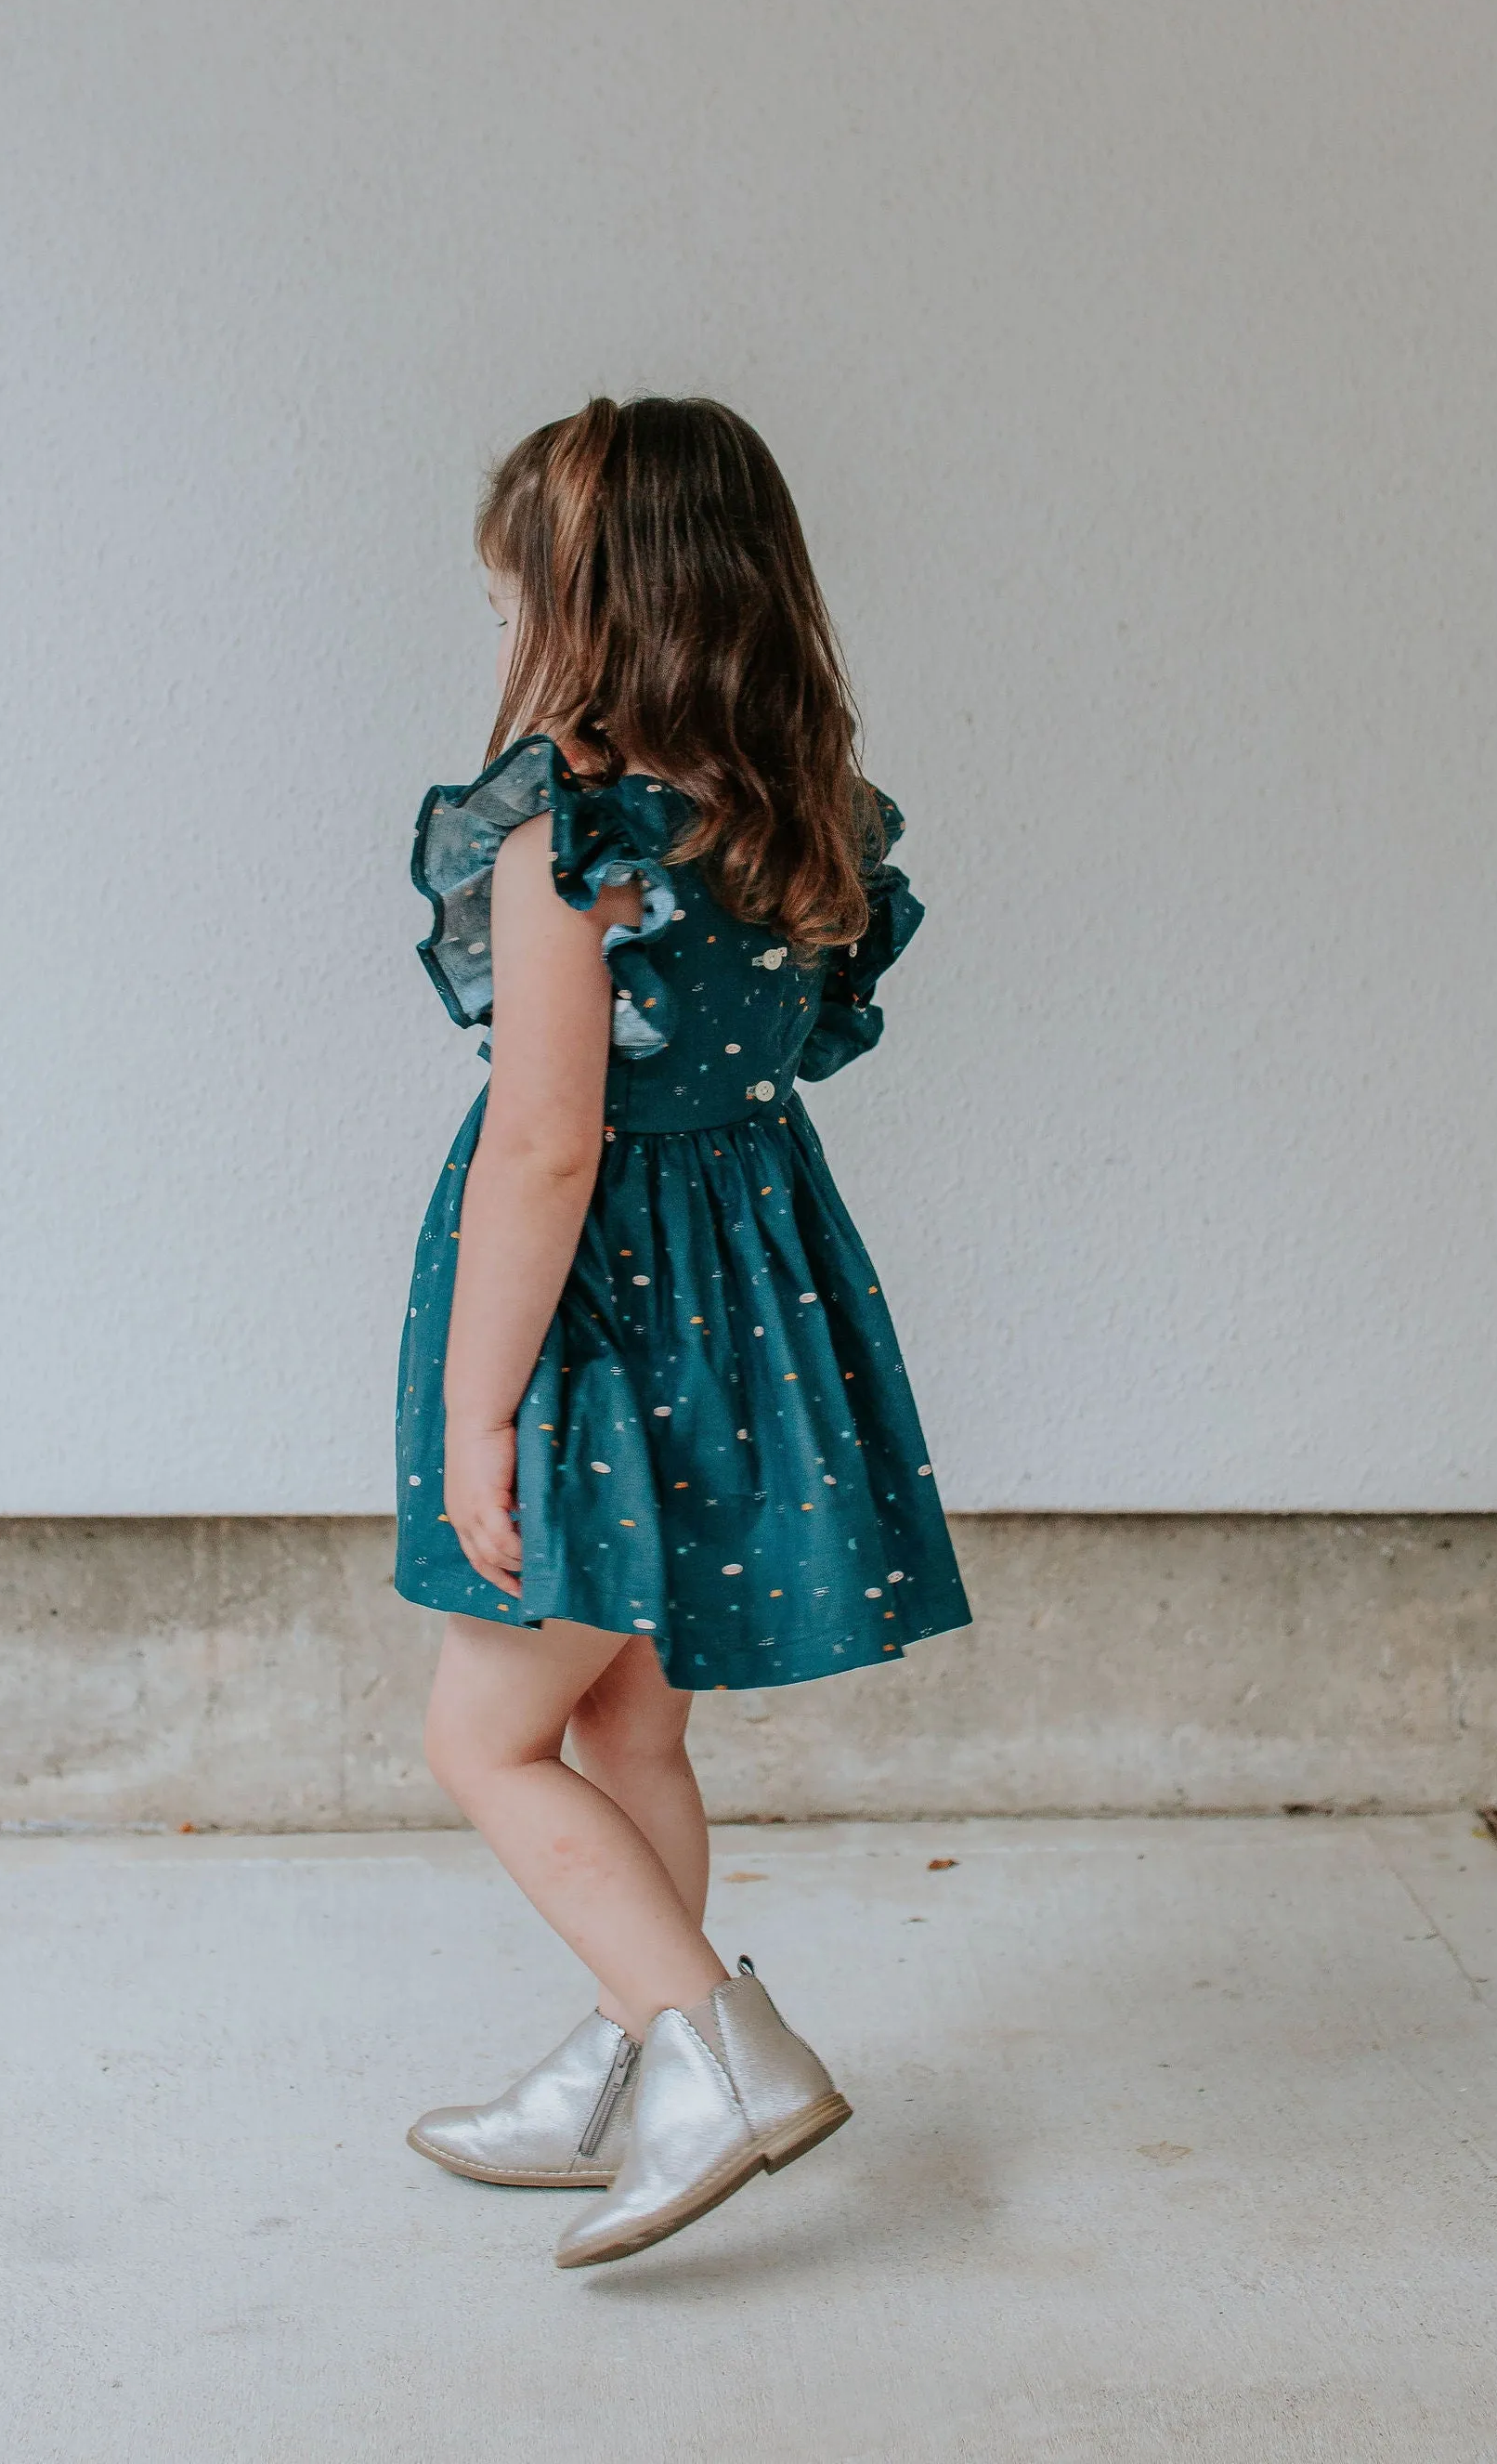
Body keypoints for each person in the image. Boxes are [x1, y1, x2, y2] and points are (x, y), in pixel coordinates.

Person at [394, 395, 970, 2268]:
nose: (499, 655)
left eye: (509, 613)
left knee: (485, 1741)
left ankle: (709, 2051)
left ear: (585, 614)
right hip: (751, 1292)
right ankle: (629, 2063)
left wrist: (483, 1416)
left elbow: (553, 1143)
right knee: (634, 1715)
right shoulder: (799, 819)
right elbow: (779, 1058)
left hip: (599, 1324)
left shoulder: (564, 835)